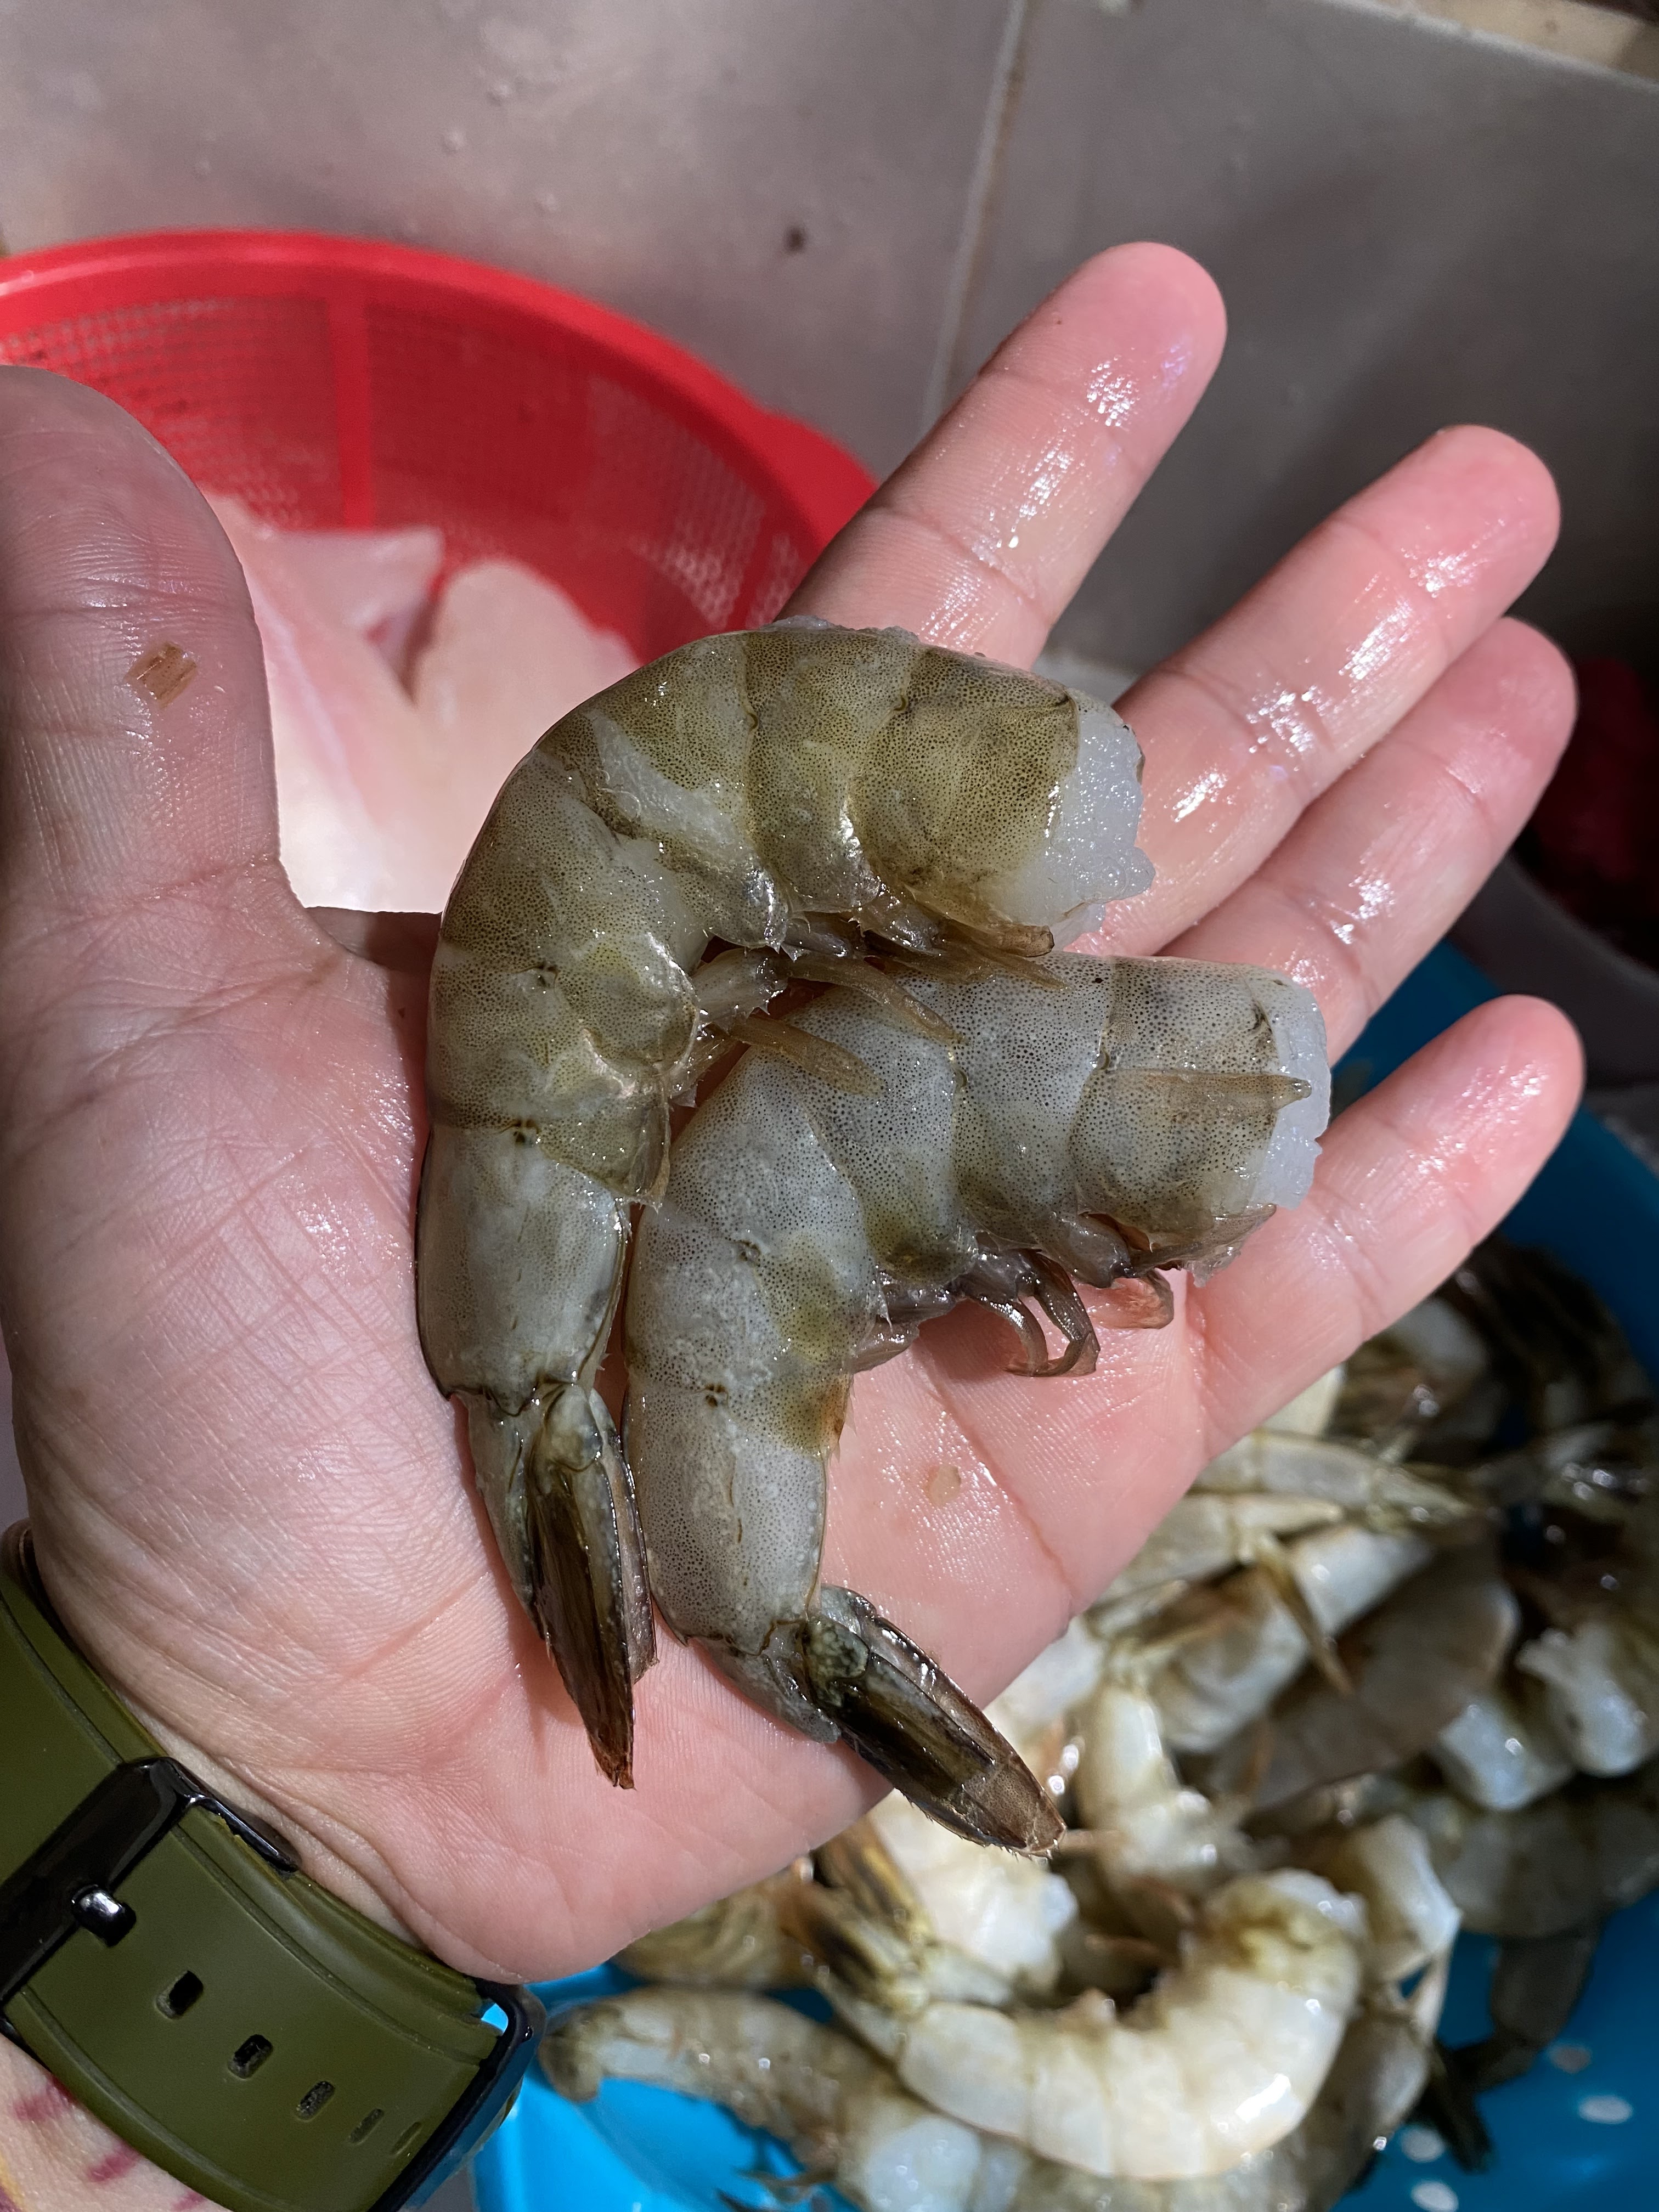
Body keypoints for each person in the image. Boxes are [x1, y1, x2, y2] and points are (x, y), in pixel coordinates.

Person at [0, 244, 1579, 2211]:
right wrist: (247, 1772)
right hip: (660, 1190)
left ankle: (723, 1563)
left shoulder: (812, 950)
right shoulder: (733, 906)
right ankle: (709, 1563)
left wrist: (211, 1829)